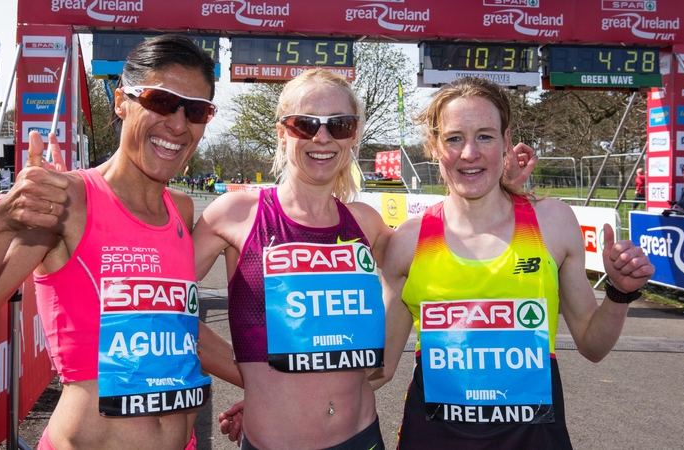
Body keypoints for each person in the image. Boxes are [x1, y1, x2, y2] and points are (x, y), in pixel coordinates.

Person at [0, 35, 241, 450]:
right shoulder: (68, 201)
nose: (179, 125)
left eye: (196, 110)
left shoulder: (180, 211)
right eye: (161, 101)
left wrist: (265, 386)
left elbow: (178, 328)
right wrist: (0, 224)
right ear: (121, 102)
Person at [194, 69, 538, 449]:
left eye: (339, 125)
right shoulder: (235, 216)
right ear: (282, 132)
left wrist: (497, 189)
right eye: (305, 124)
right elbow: (164, 314)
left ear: (354, 135)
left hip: (362, 437)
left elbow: (449, 246)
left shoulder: (366, 223)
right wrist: (258, 380)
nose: (322, 137)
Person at [377, 76, 654, 449]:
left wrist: (619, 293)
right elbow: (378, 369)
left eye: (485, 136)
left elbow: (593, 345)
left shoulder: (553, 223)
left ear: (506, 142)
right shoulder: (408, 242)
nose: (469, 153)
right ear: (434, 146)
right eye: (454, 138)